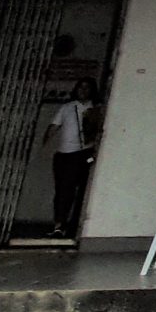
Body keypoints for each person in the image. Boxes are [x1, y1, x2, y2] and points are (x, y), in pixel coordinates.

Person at [43, 79, 99, 238]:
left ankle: (66, 225)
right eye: (81, 87)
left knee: (73, 190)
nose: (83, 90)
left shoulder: (96, 109)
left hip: (81, 154)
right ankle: (59, 224)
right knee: (62, 191)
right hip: (63, 154)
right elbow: (53, 127)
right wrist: (45, 148)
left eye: (87, 88)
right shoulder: (67, 108)